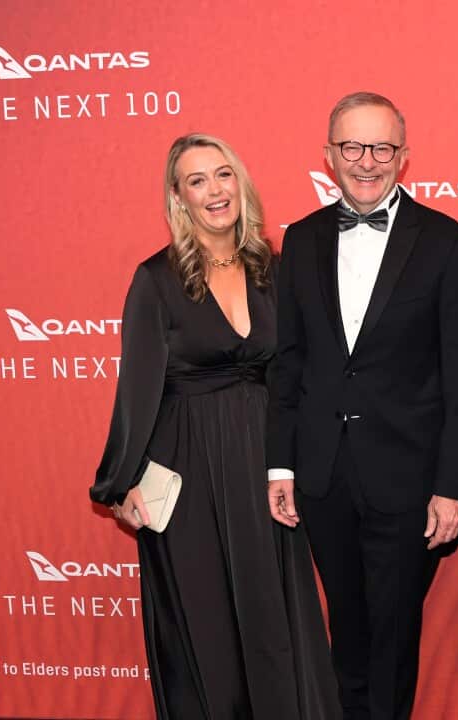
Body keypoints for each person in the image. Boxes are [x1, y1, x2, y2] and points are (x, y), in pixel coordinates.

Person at [90, 133, 340, 720]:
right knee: (205, 626)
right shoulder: (155, 279)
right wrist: (120, 483)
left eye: (222, 175)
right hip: (188, 463)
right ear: (178, 198)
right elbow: (138, 389)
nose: (214, 190)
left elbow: (298, 372)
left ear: (241, 183)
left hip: (265, 461)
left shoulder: (274, 268)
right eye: (197, 181)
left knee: (272, 615)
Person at [266, 92, 458, 720]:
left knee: (393, 640)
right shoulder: (302, 240)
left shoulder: (446, 244)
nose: (368, 161)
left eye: (382, 148)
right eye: (353, 147)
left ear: (404, 157)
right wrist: (280, 465)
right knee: (347, 635)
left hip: (409, 481)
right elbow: (291, 362)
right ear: (329, 155)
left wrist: (451, 487)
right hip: (323, 475)